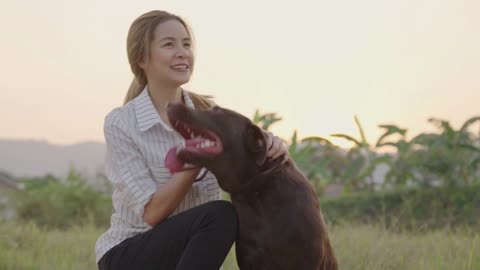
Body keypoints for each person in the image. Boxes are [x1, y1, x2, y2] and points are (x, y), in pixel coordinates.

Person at [95, 10, 289, 270]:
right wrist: (196, 156)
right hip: (129, 253)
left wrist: (272, 145)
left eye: (186, 44)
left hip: (185, 258)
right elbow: (152, 213)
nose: (182, 52)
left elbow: (249, 155)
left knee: (223, 215)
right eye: (169, 44)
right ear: (141, 57)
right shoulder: (122, 122)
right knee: (220, 214)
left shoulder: (209, 114)